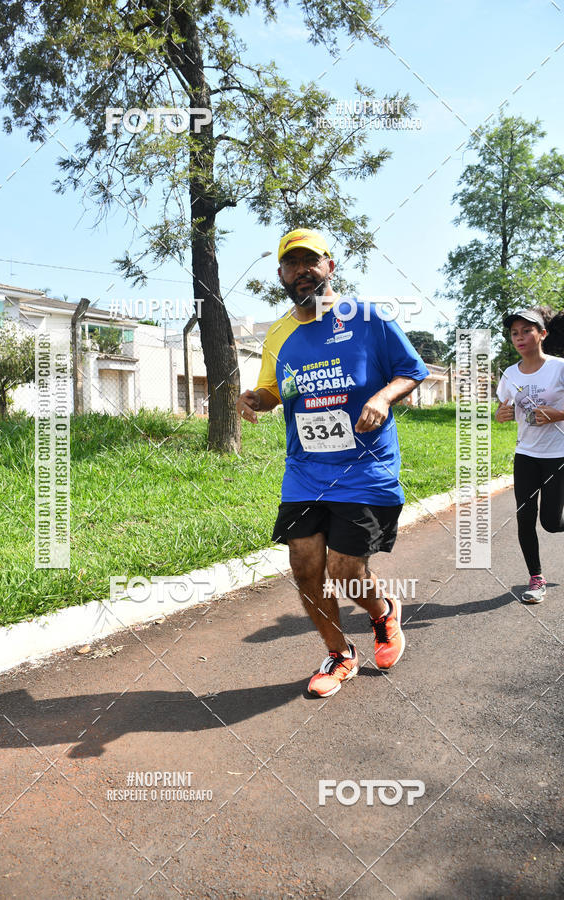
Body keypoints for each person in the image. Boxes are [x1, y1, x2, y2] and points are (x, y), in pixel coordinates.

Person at [236, 228, 429, 697]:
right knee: (305, 566)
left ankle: (382, 614)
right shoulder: (279, 332)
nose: (301, 270)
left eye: (310, 261)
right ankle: (340, 654)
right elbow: (273, 392)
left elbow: (412, 370)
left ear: (330, 267)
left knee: (345, 570)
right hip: (305, 471)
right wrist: (254, 399)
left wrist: (383, 398)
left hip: (364, 469)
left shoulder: (366, 318)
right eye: (291, 263)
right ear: (280, 274)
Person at [496, 307, 564, 603]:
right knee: (525, 518)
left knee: (550, 522)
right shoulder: (510, 374)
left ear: (542, 334)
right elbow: (501, 412)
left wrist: (556, 414)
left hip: (558, 454)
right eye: (514, 333)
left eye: (527, 330)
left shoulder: (559, 367)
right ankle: (536, 579)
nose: (520, 337)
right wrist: (501, 414)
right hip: (525, 454)